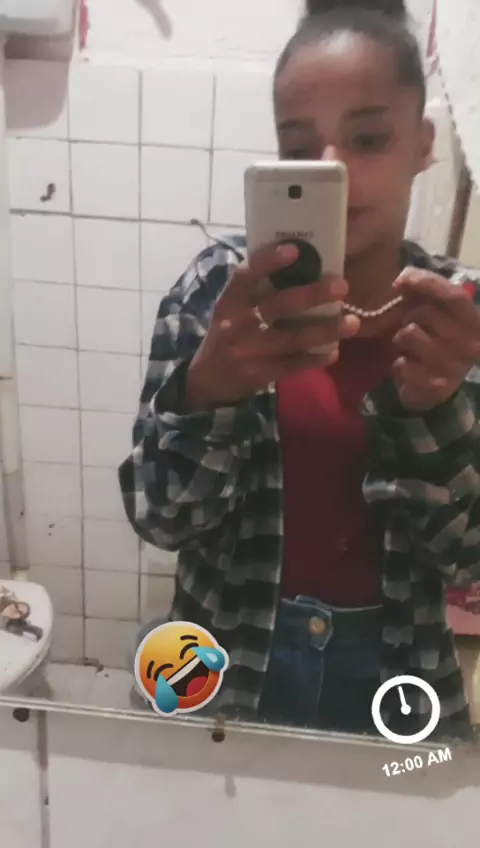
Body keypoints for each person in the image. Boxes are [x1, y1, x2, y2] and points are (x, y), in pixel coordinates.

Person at [119, 0, 480, 738]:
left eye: (369, 137)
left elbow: (470, 562)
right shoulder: (217, 295)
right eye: (299, 145)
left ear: (424, 145)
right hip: (224, 660)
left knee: (411, 798)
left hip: (396, 672)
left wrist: (437, 409)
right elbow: (159, 519)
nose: (332, 168)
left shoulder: (458, 319)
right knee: (195, 803)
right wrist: (208, 389)